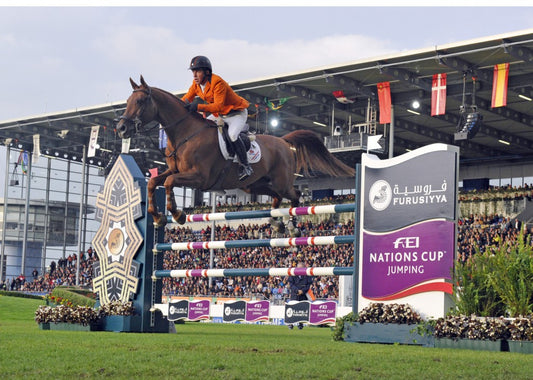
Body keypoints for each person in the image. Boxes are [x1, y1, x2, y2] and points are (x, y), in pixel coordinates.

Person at [181, 55, 253, 180]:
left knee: (232, 135)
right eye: (193, 71)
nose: (194, 75)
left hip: (236, 114)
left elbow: (218, 106)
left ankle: (246, 166)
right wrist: (177, 107)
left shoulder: (217, 82)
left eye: (197, 71)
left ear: (207, 72)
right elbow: (186, 99)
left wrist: (198, 107)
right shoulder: (196, 84)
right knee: (203, 129)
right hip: (220, 115)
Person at [287, 260, 313, 330]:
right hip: (294, 294)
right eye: (298, 268)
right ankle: (290, 323)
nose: (299, 270)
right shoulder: (293, 275)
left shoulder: (307, 276)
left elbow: (308, 285)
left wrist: (302, 291)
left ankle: (300, 324)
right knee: (292, 308)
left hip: (303, 294)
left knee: (302, 309)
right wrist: (297, 291)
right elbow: (291, 284)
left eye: (301, 268)